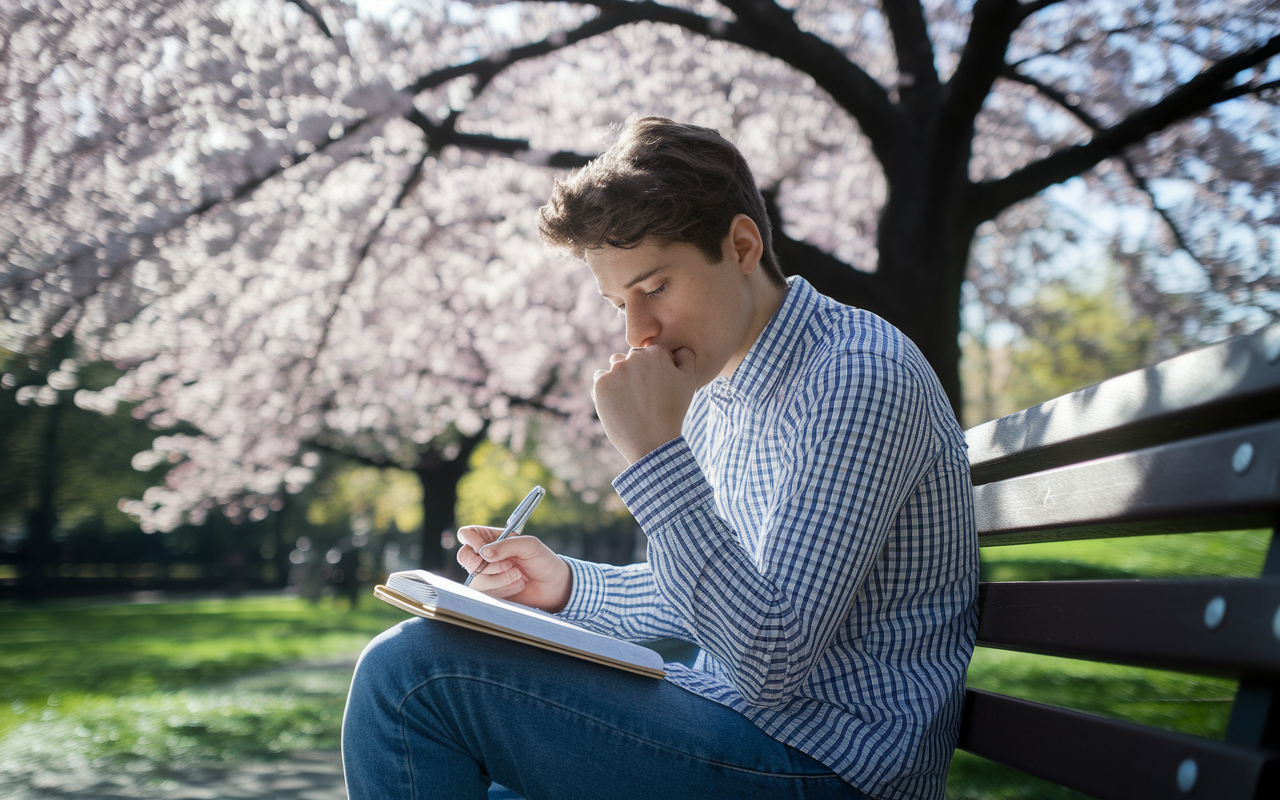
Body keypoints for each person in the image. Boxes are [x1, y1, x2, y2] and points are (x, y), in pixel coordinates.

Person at [341, 116, 979, 800]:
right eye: (620, 303)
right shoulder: (717, 393)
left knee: (414, 677)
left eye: (654, 288)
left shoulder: (855, 376)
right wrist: (564, 587)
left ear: (740, 245)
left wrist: (653, 454)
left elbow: (767, 658)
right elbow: (720, 598)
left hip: (832, 769)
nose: (637, 331)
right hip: (747, 732)